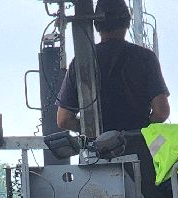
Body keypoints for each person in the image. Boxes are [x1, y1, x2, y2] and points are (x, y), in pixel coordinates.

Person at [55, 0, 170, 133]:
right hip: (138, 147)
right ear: (127, 20)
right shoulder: (145, 57)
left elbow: (63, 119)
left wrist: (91, 130)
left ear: (96, 23)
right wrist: (141, 131)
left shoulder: (82, 62)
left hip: (98, 149)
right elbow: (161, 112)